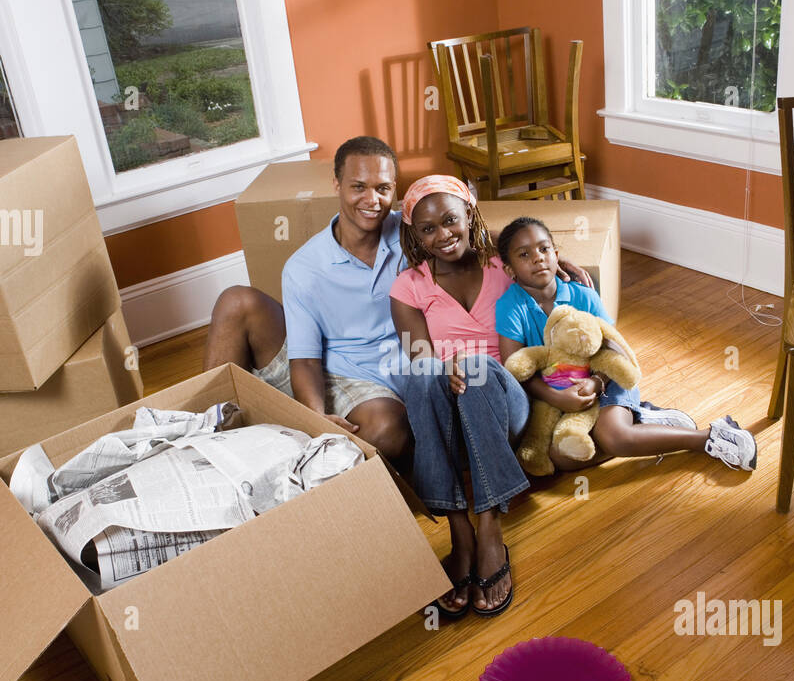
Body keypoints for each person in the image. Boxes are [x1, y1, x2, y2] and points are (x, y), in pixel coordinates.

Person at [495, 216, 758, 472]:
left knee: (614, 437)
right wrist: (557, 397)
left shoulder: (582, 295)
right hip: (558, 392)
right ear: (509, 270)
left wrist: (596, 383)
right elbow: (516, 369)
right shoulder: (510, 306)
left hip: (606, 377)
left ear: (556, 252)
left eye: (544, 249)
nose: (538, 258)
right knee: (561, 457)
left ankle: (708, 438)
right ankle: (645, 422)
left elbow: (614, 348)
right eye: (524, 255)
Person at [204, 136, 411, 461]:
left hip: (375, 382)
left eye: (382, 188)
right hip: (317, 367)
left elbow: (466, 223)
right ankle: (209, 434)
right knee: (234, 300)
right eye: (358, 187)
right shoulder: (305, 266)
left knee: (386, 429)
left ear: (395, 189)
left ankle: (293, 451)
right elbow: (306, 358)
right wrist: (316, 418)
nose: (372, 200)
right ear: (337, 185)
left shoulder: (415, 235)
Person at [389, 177, 531, 620]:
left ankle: (489, 527)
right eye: (427, 229)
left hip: (505, 403)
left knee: (477, 367)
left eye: (450, 220)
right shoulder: (408, 286)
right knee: (420, 374)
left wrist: (560, 259)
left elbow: (538, 255)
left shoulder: (503, 265)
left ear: (469, 214)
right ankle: (459, 531)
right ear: (415, 235)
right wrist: (438, 366)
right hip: (448, 418)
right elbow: (419, 358)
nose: (442, 235)